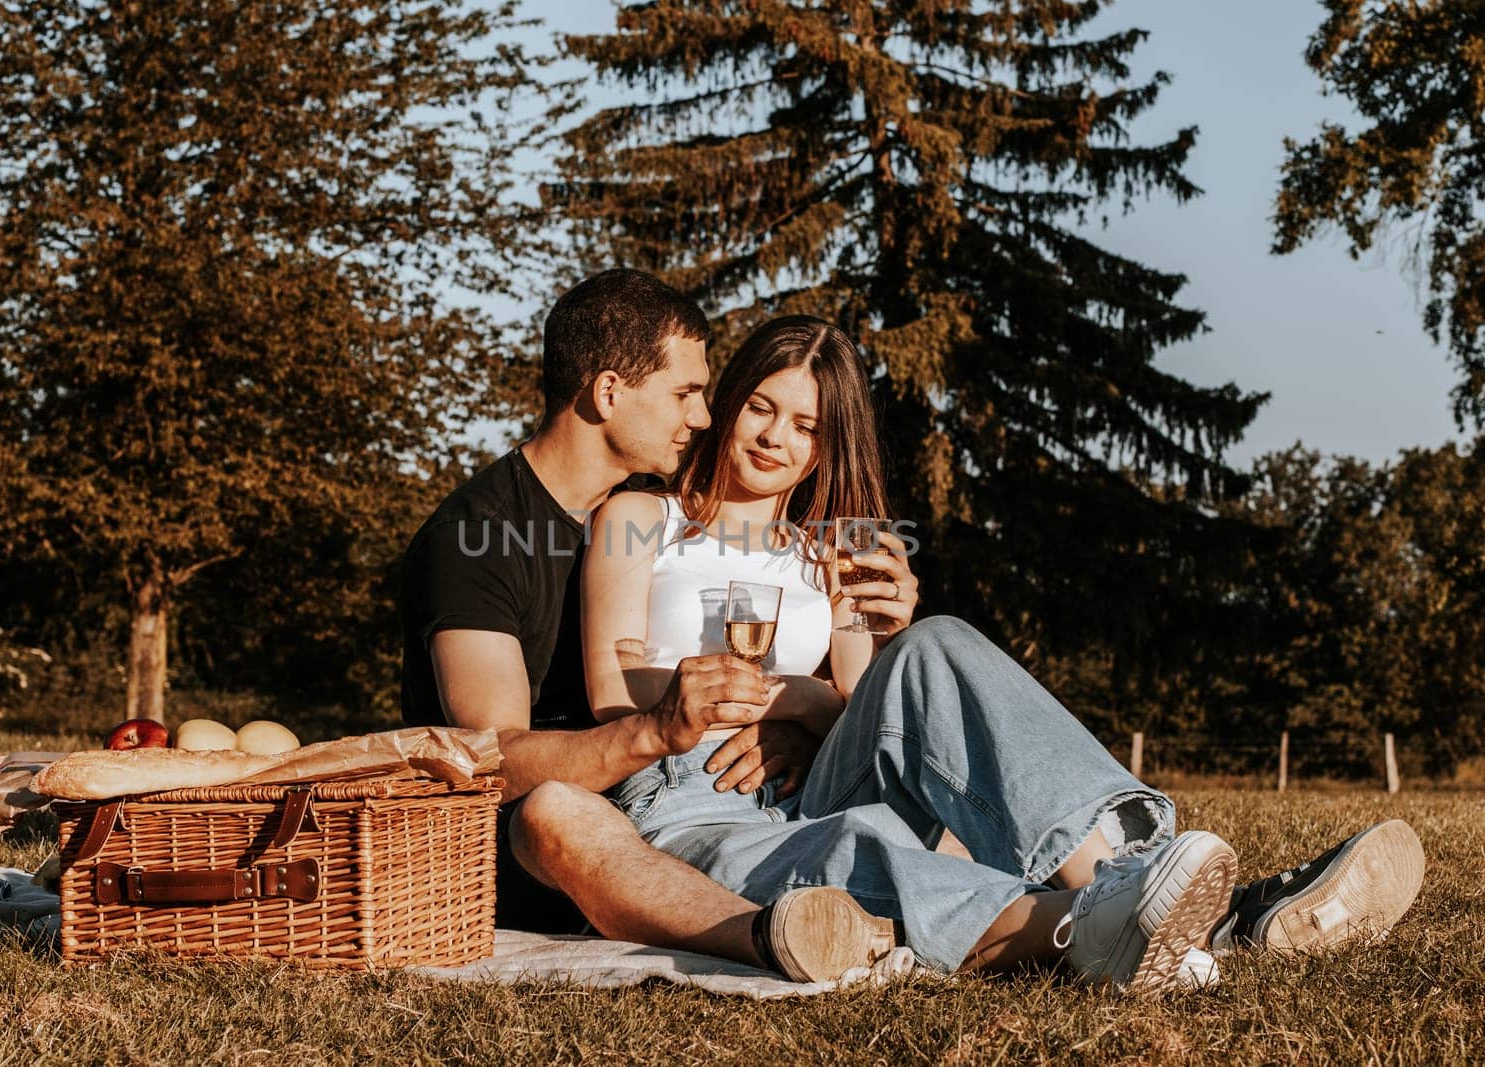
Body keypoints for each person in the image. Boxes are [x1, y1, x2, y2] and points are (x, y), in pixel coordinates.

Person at [579, 315, 1428, 989]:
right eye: (761, 406)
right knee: (852, 846)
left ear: (827, 443)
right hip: (688, 791)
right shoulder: (644, 517)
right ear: (729, 401)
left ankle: (1130, 873)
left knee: (934, 640)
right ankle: (1214, 920)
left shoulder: (831, 549)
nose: (775, 437)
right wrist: (763, 698)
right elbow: (611, 690)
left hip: (812, 774)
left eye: (805, 423)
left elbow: (877, 710)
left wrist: (823, 683)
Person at [402, 269, 900, 981]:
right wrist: (661, 727)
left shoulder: (635, 521)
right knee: (553, 809)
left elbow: (840, 683)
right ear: (609, 393)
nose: (703, 416)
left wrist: (788, 714)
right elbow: (495, 759)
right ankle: (765, 937)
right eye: (685, 393)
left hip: (676, 808)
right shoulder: (477, 537)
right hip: (536, 852)